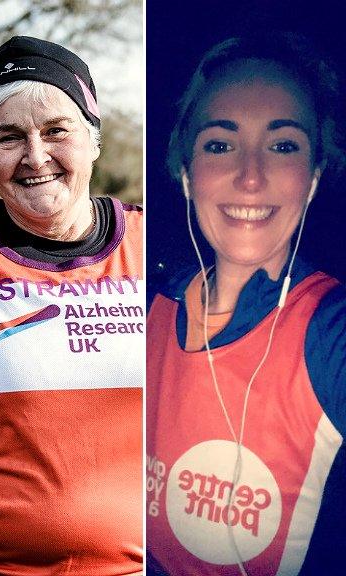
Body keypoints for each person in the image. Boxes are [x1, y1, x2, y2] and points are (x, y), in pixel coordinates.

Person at [0, 36, 144, 574]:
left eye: (56, 130)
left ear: (93, 140)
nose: (35, 156)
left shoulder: (162, 246)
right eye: (7, 137)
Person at [147, 33, 346, 575]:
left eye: (283, 145)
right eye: (220, 144)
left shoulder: (329, 331)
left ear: (313, 179)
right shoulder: (144, 310)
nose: (251, 176)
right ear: (187, 173)